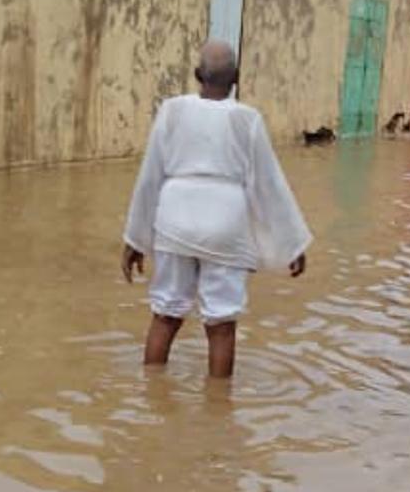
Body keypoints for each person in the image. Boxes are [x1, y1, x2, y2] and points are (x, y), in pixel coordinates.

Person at [121, 40, 311, 379]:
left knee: (165, 314)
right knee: (221, 324)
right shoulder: (247, 119)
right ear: (236, 77)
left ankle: (150, 397)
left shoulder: (172, 110)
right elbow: (269, 184)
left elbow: (150, 176)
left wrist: (135, 238)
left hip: (175, 220)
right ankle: (220, 411)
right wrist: (292, 243)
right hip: (226, 223)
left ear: (197, 75)